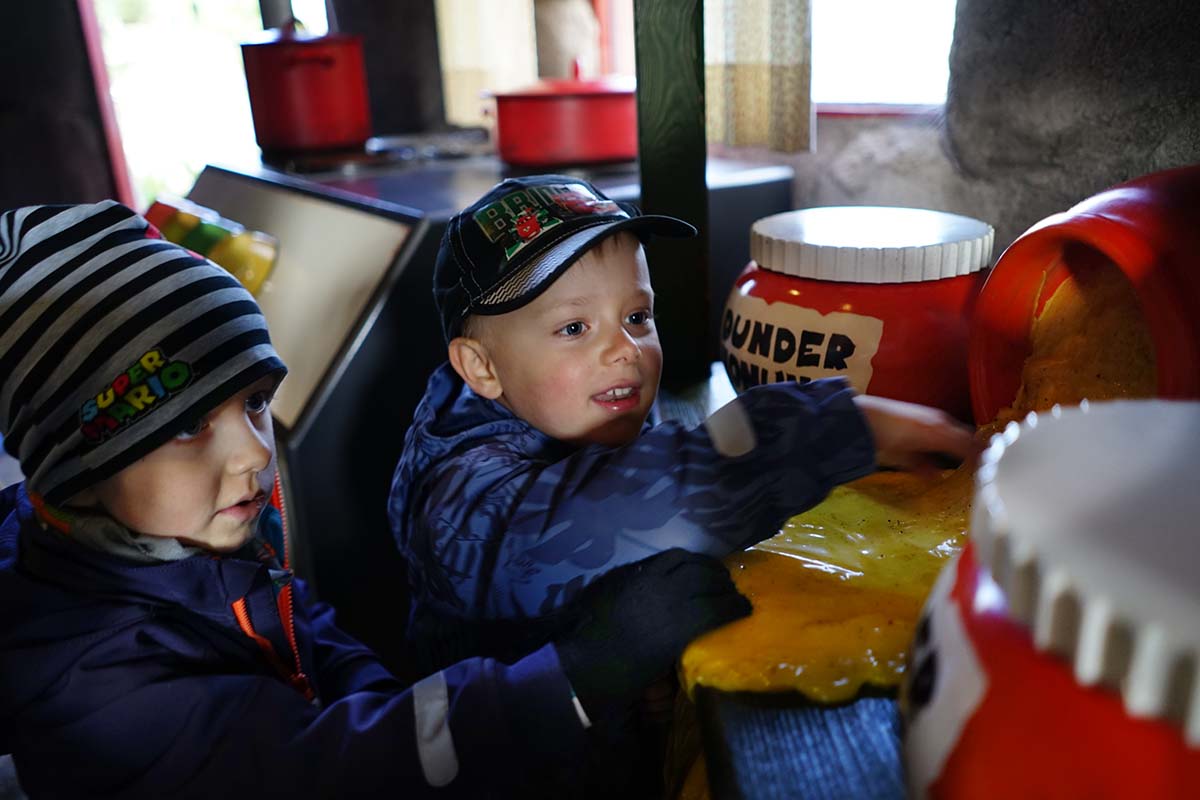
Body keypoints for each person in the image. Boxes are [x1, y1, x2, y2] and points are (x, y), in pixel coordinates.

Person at [0, 201, 751, 799]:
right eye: (190, 426)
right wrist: (578, 677)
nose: (256, 453)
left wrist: (416, 707)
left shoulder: (179, 552)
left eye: (256, 402)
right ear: (79, 464)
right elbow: (331, 770)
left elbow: (317, 645)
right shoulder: (93, 681)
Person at [388, 174, 978, 671]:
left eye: (637, 315)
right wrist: (836, 428)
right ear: (482, 368)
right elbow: (619, 510)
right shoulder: (459, 505)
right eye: (574, 329)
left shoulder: (578, 414)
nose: (624, 349)